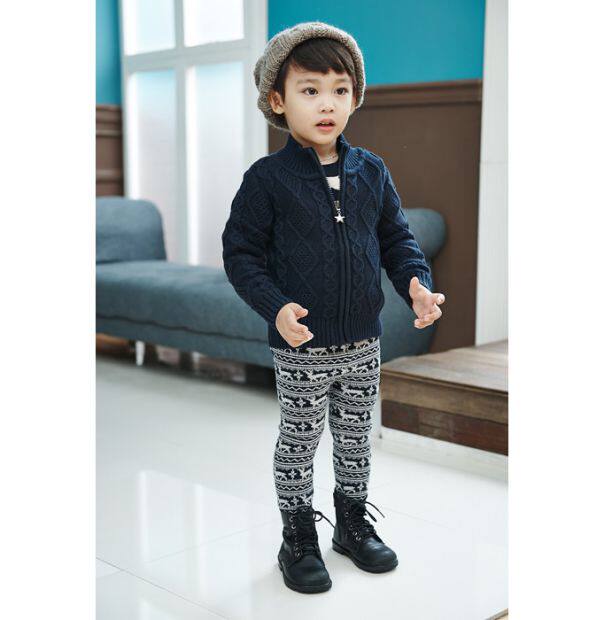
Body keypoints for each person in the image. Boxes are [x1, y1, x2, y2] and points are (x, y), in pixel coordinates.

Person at [221, 21, 445, 594]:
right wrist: (275, 308)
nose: (327, 104)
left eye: (340, 90)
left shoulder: (371, 170)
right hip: (302, 346)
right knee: (299, 440)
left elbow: (397, 240)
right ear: (278, 100)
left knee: (354, 438)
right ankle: (297, 537)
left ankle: (351, 525)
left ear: (354, 97)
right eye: (310, 90)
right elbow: (241, 255)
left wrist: (416, 284)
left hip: (363, 341)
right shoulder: (266, 180)